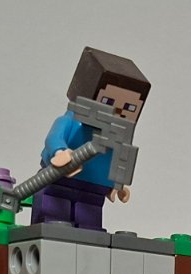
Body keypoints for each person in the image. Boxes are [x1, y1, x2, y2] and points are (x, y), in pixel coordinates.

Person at [31, 47, 150, 231]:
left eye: (130, 108)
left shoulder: (116, 136)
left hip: (93, 190)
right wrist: (60, 151)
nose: (117, 111)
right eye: (108, 102)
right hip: (59, 182)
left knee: (90, 224)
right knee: (53, 216)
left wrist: (116, 185)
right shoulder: (70, 121)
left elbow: (116, 162)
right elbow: (54, 137)